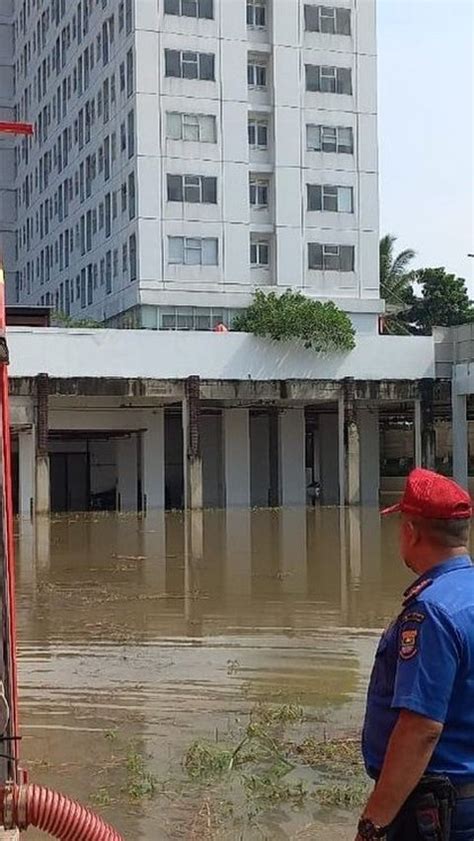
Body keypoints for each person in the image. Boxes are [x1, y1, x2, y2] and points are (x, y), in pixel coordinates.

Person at [355, 468, 474, 841]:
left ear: (411, 532)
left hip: (439, 811)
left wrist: (373, 825)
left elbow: (420, 729)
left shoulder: (432, 613)